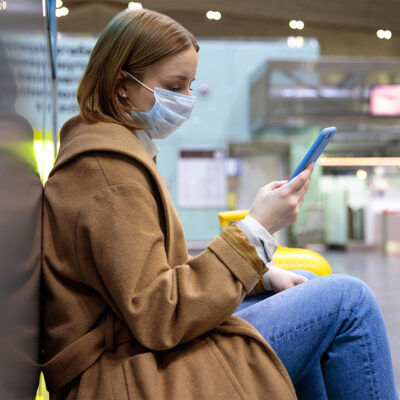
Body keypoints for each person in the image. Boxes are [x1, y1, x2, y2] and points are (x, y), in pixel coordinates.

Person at [42, 8, 398, 400]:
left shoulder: (112, 154)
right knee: (349, 301)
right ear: (122, 84)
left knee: (305, 285)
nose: (187, 100)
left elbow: (155, 280)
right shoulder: (108, 174)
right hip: (122, 372)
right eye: (175, 86)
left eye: (190, 86)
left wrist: (260, 274)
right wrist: (256, 230)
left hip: (135, 348)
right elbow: (159, 314)